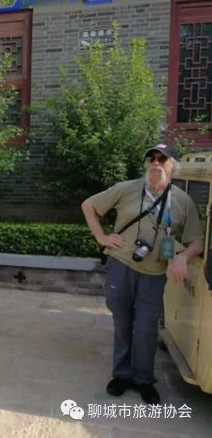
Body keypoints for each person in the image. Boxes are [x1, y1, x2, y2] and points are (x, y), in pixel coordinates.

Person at [81, 142, 204, 405]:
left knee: (147, 327)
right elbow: (88, 205)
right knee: (122, 322)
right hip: (121, 265)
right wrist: (102, 236)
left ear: (173, 166)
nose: (156, 163)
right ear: (147, 164)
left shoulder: (182, 201)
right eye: (151, 158)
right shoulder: (127, 189)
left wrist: (182, 257)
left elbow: (197, 241)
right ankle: (121, 375)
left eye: (162, 159)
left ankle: (144, 379)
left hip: (154, 272)